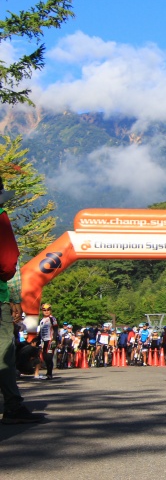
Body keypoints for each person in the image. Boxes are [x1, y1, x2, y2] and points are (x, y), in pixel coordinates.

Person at [1, 175, 44, 422]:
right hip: (0, 297)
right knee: (3, 355)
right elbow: (9, 263)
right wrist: (15, 299)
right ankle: (13, 406)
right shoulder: (1, 216)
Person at [37, 303, 59, 379]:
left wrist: (54, 340)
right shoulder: (41, 320)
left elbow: (56, 330)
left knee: (49, 357)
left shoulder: (52, 318)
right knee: (44, 357)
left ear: (50, 310)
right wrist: (37, 340)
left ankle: (49, 374)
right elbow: (41, 332)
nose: (46, 311)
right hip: (44, 341)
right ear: (42, 311)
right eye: (44, 310)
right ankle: (47, 373)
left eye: (48, 310)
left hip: (50, 340)